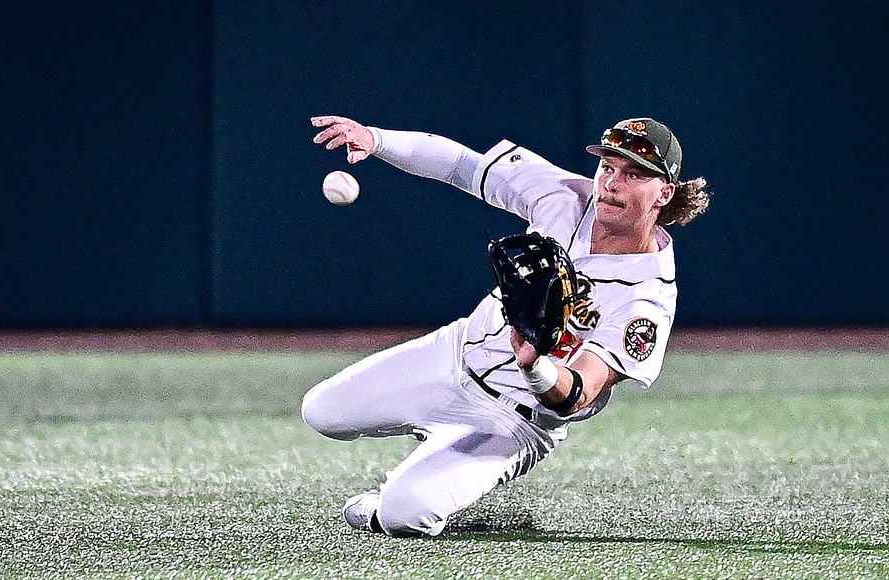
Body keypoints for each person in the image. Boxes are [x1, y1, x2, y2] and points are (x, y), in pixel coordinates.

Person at [302, 114, 710, 537]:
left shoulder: (647, 297)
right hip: (453, 356)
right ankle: (430, 449)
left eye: (634, 174)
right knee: (321, 412)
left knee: (404, 516)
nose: (611, 183)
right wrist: (377, 138)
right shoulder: (566, 197)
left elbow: (576, 396)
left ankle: (394, 499)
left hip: (513, 420)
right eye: (608, 166)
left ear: (664, 192)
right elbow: (461, 165)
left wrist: (534, 365)